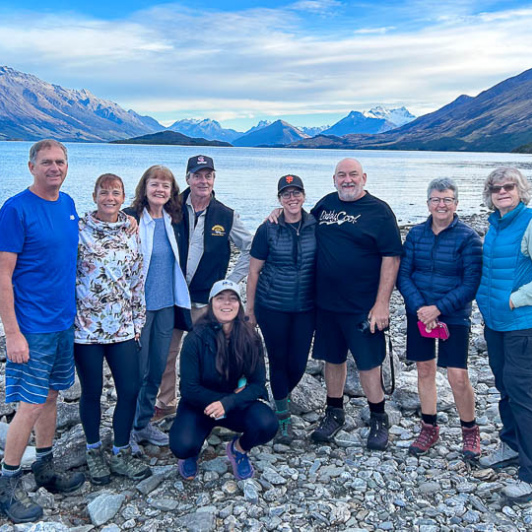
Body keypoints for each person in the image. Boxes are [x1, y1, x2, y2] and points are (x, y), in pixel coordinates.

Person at [0, 140, 85, 524]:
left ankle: (45, 465)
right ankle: (6, 482)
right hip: (32, 328)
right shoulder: (15, 210)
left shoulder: (67, 205)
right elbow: (3, 276)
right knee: (30, 403)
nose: (55, 167)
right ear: (31, 166)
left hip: (63, 323)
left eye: (60, 162)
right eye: (47, 162)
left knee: (52, 395)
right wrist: (12, 333)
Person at [308, 158, 402, 450]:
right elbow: (299, 226)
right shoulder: (324, 206)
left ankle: (378, 418)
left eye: (353, 175)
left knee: (368, 363)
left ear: (364, 177)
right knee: (332, 359)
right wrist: (277, 213)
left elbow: (391, 258)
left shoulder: (380, 212)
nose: (347, 180)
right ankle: (334, 412)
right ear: (333, 179)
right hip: (326, 304)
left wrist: (382, 304)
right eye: (341, 175)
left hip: (363, 305)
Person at [154, 155, 252, 422]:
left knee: (210, 355)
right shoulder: (169, 206)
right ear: (187, 178)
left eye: (208, 175)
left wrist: (230, 283)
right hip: (172, 296)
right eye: (197, 175)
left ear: (214, 179)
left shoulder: (226, 215)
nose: (203, 180)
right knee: (166, 352)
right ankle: (165, 402)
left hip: (206, 301)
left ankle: (211, 404)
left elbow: (251, 248)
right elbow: (142, 215)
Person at [397, 178, 482, 459]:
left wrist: (438, 309)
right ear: (428, 204)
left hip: (454, 316)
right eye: (435, 199)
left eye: (446, 199)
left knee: (457, 376)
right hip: (419, 313)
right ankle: (429, 427)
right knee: (424, 370)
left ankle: (469, 431)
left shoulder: (468, 238)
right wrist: (421, 308)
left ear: (456, 204)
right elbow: (404, 274)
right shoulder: (416, 234)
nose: (441, 204)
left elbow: (471, 283)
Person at [74, 173, 151, 484]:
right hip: (86, 329)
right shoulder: (78, 230)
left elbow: (137, 279)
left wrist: (137, 321)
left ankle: (121, 452)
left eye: (115, 192)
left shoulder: (131, 231)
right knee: (91, 392)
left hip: (122, 328)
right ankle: (94, 452)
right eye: (104, 192)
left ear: (123, 197)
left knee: (129, 390)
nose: (110, 197)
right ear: (94, 195)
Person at [169, 279, 278, 480]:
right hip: (199, 404)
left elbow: (258, 383)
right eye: (221, 298)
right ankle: (192, 451)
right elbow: (189, 389)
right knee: (181, 446)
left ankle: (238, 449)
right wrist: (220, 401)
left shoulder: (251, 337)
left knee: (267, 424)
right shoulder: (195, 338)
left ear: (239, 304)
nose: (226, 304)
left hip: (233, 403)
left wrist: (228, 403)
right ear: (211, 303)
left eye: (232, 299)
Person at [125, 165, 191, 452]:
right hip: (138, 308)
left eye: (166, 185)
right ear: (144, 187)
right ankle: (124, 428)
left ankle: (142, 424)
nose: (160, 190)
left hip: (167, 306)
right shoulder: (129, 218)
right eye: (155, 184)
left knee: (157, 368)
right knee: (135, 371)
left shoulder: (173, 220)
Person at [247, 175, 316, 443]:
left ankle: (277, 397)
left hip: (306, 307)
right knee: (278, 359)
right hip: (272, 305)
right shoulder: (268, 229)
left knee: (298, 363)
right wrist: (249, 309)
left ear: (304, 195)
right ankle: (283, 416)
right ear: (279, 199)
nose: (291, 198)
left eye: (296, 192)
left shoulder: (315, 225)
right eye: (286, 194)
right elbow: (254, 271)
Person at [476, 167, 532, 502]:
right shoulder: (496, 224)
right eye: (495, 188)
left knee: (523, 393)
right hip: (495, 323)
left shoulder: (528, 222)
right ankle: (511, 445)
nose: (502, 192)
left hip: (522, 324)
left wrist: (514, 299)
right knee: (503, 387)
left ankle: (530, 473)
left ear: (520, 189)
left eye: (508, 187)